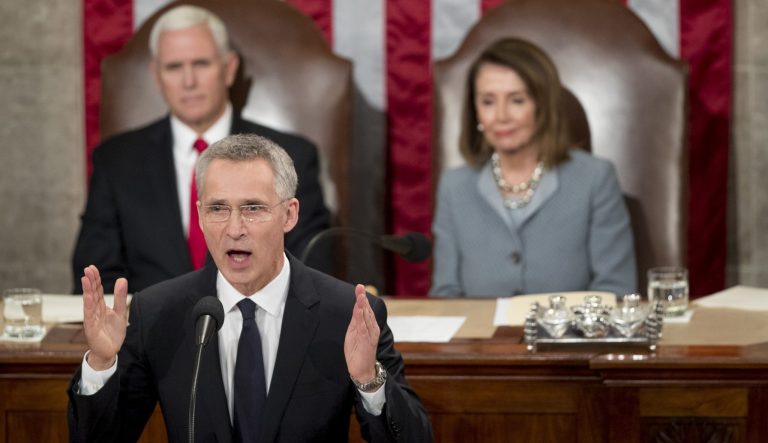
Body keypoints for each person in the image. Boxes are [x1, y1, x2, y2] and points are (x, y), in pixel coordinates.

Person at [67, 134, 432, 442]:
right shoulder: (159, 312)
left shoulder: (345, 314)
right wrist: (101, 364)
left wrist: (369, 381)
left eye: (253, 208)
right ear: (200, 215)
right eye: (218, 209)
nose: (234, 228)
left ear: (289, 214)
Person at [72, 5, 330, 294]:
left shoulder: (291, 154)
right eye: (174, 67)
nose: (189, 81)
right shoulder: (116, 161)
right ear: (156, 76)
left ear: (229, 69)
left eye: (201, 64)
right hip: (151, 332)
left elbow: (311, 269)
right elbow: (96, 277)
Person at [430, 37, 636, 297]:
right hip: (477, 338)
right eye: (488, 101)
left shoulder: (595, 178)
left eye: (517, 100)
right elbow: (446, 295)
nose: (501, 116)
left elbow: (615, 291)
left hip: (570, 336)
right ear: (476, 111)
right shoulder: (454, 186)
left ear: (543, 106)